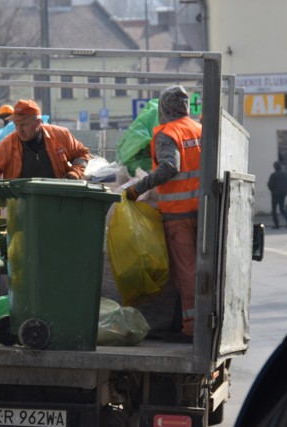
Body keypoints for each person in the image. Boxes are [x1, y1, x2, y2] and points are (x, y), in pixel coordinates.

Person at [126, 85, 201, 344]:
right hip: (204, 211)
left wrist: (139, 187)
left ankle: (191, 327)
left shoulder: (168, 133)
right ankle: (200, 322)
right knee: (203, 270)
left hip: (179, 214)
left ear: (163, 108)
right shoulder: (199, 129)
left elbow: (170, 166)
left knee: (186, 271)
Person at [0, 99, 90, 206]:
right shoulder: (8, 144)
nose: (19, 129)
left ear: (38, 122)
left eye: (24, 124)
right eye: (16, 124)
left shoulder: (60, 135)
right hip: (23, 206)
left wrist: (75, 172)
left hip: (59, 201)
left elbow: (81, 154)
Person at [267, 161, 287, 229]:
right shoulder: (285, 175)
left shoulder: (273, 175)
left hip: (275, 194)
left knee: (274, 210)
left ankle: (277, 224)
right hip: (283, 194)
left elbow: (270, 184)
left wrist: (272, 190)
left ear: (274, 168)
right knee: (282, 209)